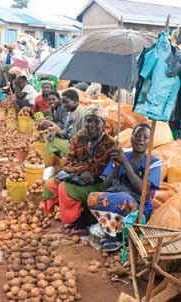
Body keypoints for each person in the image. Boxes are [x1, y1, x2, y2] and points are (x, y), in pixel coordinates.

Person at [43, 106, 119, 236]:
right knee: (50, 185)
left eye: (96, 121)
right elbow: (68, 161)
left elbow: (98, 168)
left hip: (99, 182)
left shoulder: (110, 143)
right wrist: (80, 170)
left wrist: (84, 171)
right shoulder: (79, 137)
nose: (91, 125)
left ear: (104, 124)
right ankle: (60, 214)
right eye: (88, 120)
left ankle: (72, 221)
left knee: (64, 188)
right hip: (78, 177)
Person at [87, 124, 162, 251]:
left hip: (138, 205)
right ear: (131, 138)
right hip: (116, 200)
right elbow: (104, 187)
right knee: (92, 198)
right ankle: (115, 234)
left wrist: (125, 163)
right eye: (137, 136)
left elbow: (143, 191)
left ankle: (112, 237)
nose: (140, 139)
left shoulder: (154, 162)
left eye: (145, 137)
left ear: (150, 142)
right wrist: (116, 167)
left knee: (124, 199)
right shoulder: (122, 154)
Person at [45, 89, 85, 157]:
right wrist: (56, 133)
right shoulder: (70, 113)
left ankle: (66, 157)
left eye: (66, 102)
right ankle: (64, 156)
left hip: (76, 147)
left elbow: (83, 139)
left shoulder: (82, 115)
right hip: (69, 142)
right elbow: (66, 132)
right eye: (62, 102)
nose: (63, 105)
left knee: (50, 141)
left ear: (75, 101)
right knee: (47, 136)